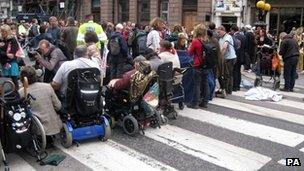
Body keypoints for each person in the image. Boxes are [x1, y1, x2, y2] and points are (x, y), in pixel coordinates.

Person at [18, 66, 62, 142]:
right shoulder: (47, 86)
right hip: (53, 123)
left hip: (37, 126)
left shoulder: (22, 92)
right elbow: (58, 106)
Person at [187, 24, 210, 108]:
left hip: (197, 64)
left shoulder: (195, 41)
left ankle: (195, 103)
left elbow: (189, 53)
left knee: (197, 84)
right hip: (206, 64)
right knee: (205, 83)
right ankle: (205, 102)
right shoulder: (207, 40)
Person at [217, 25, 237, 95]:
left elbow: (225, 46)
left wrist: (220, 56)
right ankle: (225, 89)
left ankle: (228, 90)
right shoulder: (220, 38)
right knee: (225, 74)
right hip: (226, 58)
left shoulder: (228, 36)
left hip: (230, 58)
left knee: (228, 74)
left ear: (223, 31)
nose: (218, 33)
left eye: (219, 32)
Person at [0, 24, 20, 89]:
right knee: (6, 81)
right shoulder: (0, 39)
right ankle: (6, 96)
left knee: (14, 80)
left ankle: (16, 95)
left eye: (4, 31)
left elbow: (12, 54)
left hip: (12, 62)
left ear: (8, 31)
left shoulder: (13, 40)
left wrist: (4, 54)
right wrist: (6, 54)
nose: (2, 33)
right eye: (1, 31)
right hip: (3, 63)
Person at [230, 25, 246, 92]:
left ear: (233, 30)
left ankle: (235, 86)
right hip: (241, 56)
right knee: (238, 71)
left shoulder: (234, 37)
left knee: (234, 71)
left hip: (236, 55)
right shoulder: (243, 36)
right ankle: (238, 86)